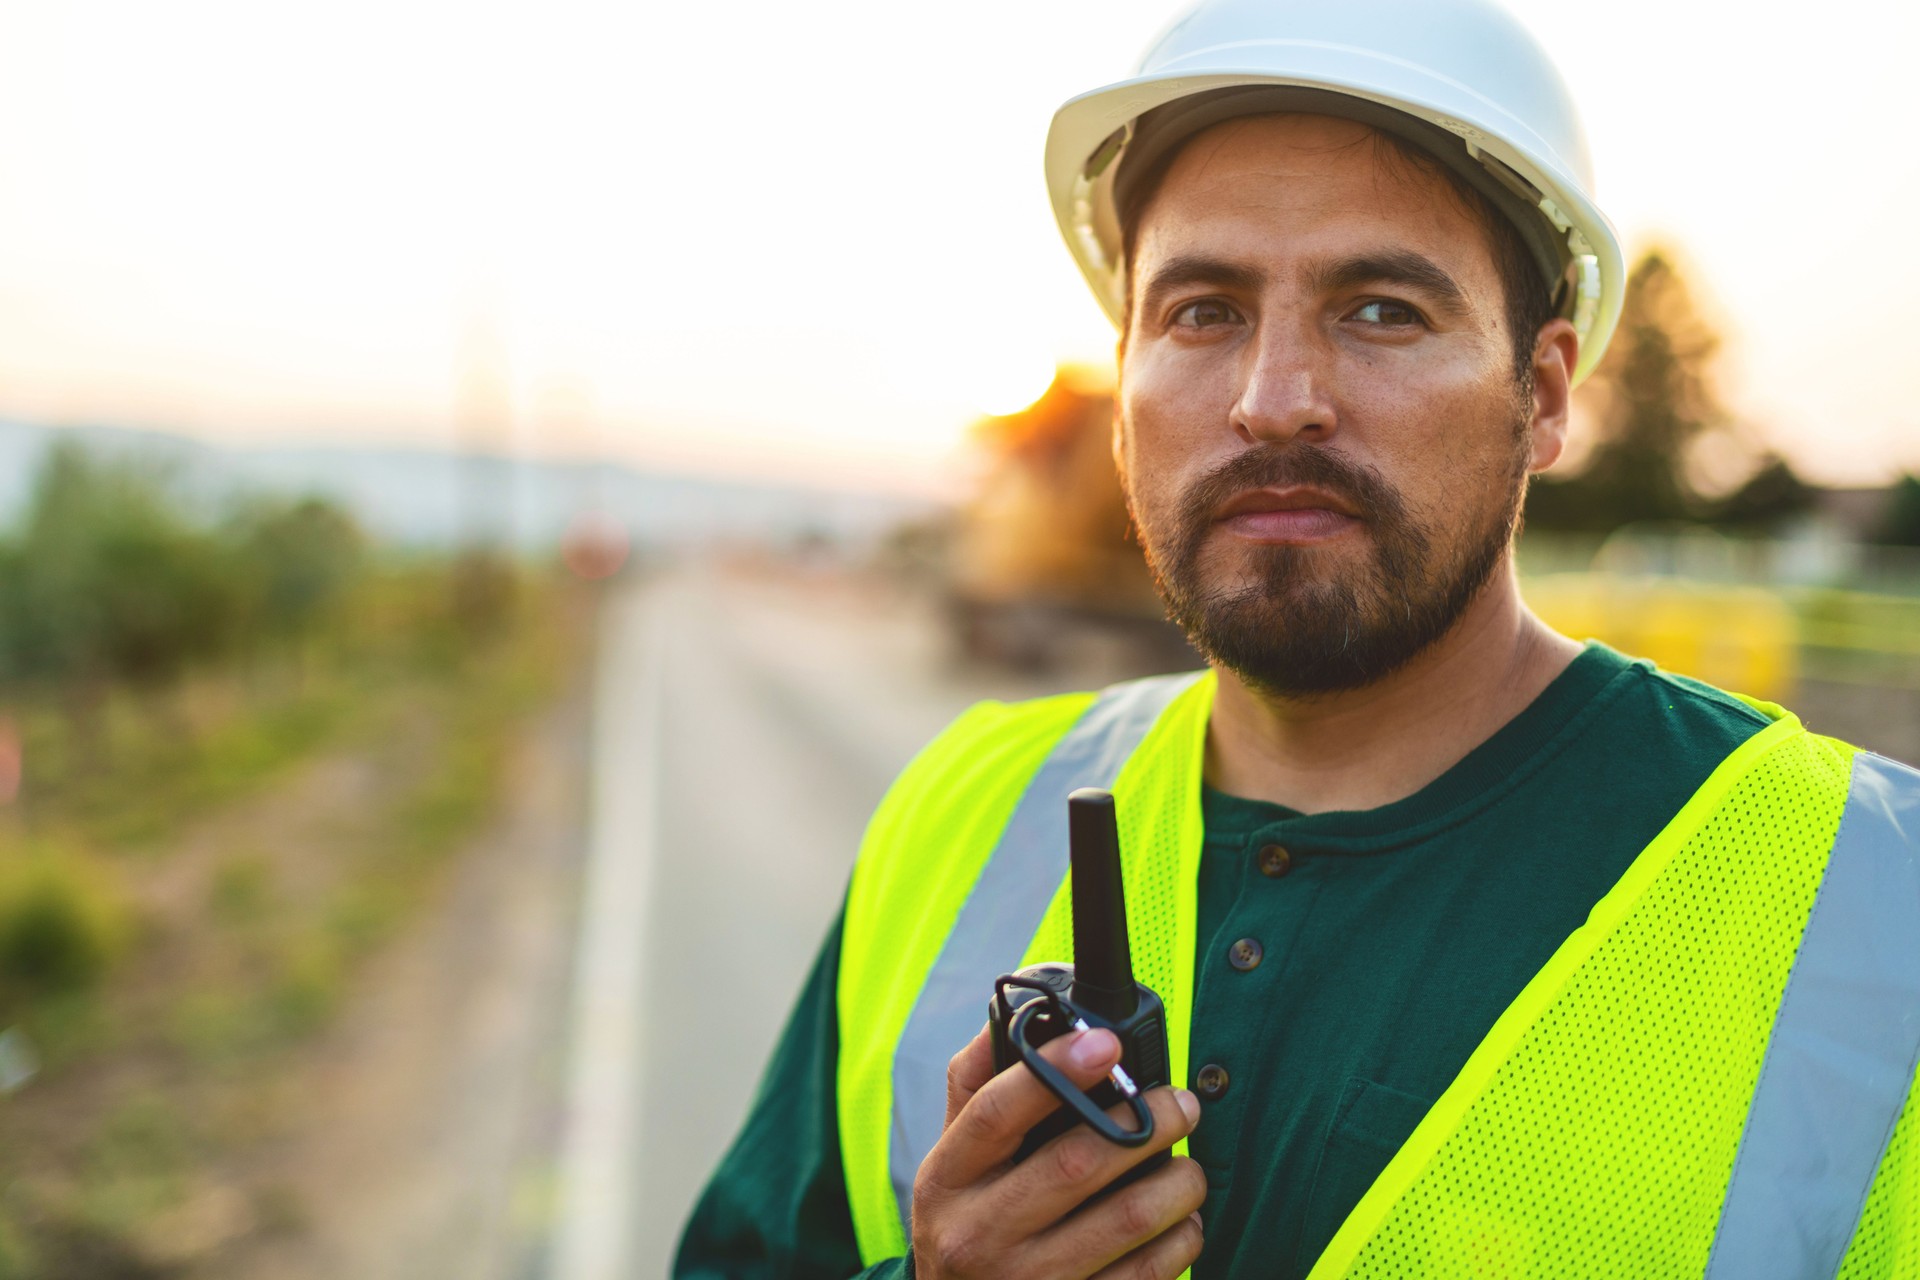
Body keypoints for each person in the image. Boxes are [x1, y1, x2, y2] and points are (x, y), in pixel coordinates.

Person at [674, 0, 1920, 1275]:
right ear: (1123, 386)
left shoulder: (1876, 911)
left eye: (1381, 309)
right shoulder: (958, 815)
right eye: (1203, 311)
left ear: (1539, 396)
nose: (1273, 402)